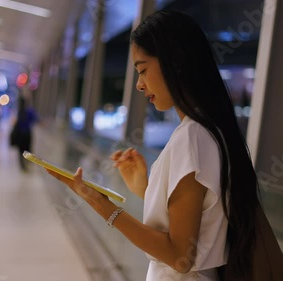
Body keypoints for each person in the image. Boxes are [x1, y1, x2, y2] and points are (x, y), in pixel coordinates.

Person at [47, 11, 269, 281]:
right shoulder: (212, 131)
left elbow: (179, 256)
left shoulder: (191, 137)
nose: (139, 85)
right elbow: (199, 220)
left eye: (142, 70)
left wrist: (102, 205)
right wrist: (146, 188)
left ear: (174, 63)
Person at [11, 97, 38, 172]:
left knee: (20, 151)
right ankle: (27, 163)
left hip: (19, 134)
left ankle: (22, 166)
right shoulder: (30, 111)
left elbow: (14, 122)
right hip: (27, 133)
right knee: (28, 149)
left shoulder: (17, 112)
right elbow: (35, 119)